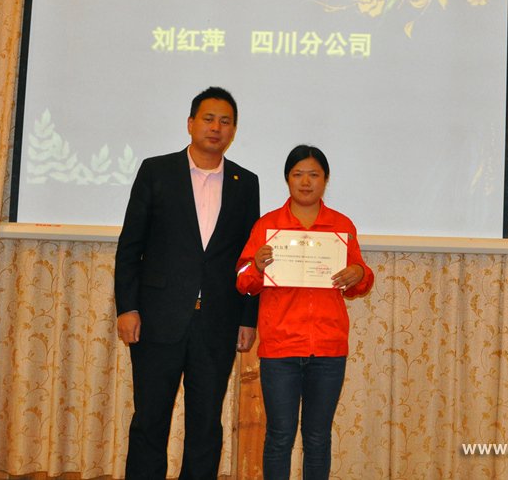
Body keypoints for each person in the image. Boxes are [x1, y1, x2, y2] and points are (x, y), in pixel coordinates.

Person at [114, 87, 260, 479]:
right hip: (157, 319)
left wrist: (247, 318)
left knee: (206, 426)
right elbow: (131, 246)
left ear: (233, 130)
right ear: (191, 123)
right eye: (208, 119)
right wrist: (127, 308)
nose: (216, 127)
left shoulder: (246, 182)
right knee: (150, 421)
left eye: (225, 121)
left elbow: (249, 259)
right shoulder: (156, 171)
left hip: (217, 323)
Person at [235, 145, 374, 480]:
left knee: (317, 438)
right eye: (298, 174)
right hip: (280, 349)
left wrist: (359, 272)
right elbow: (243, 282)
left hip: (328, 349)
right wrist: (257, 265)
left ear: (326, 179)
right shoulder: (268, 226)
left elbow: (360, 281)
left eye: (314, 174)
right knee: (279, 436)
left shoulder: (341, 225)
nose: (306, 182)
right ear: (287, 179)